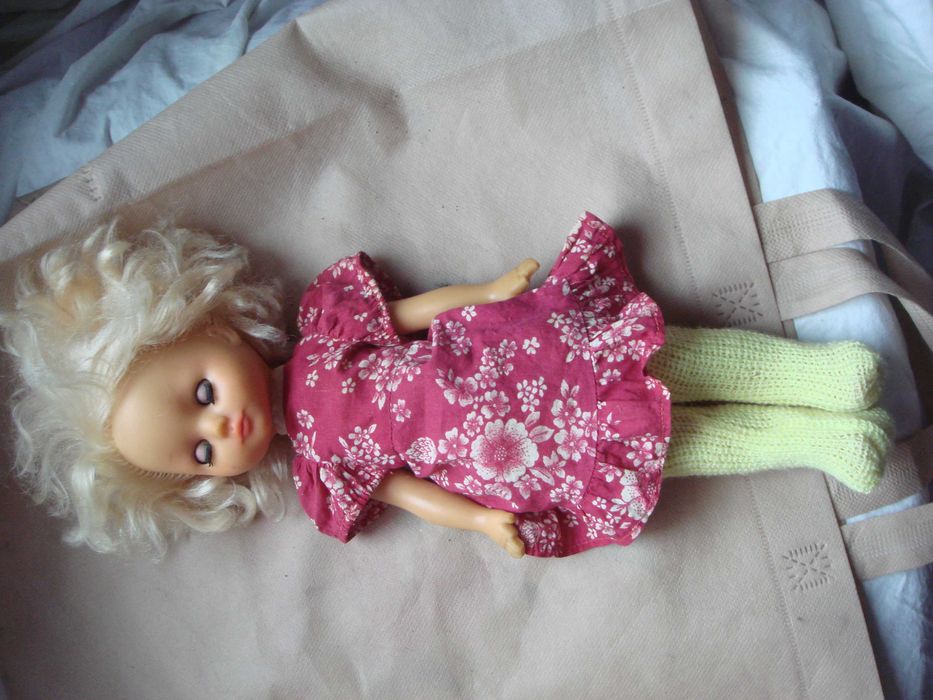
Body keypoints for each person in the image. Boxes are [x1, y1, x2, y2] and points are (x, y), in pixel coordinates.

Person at [3, 215, 891, 558]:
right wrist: (476, 521)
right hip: (517, 457)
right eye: (200, 454)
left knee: (664, 359)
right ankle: (813, 441)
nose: (223, 426)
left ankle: (816, 374)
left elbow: (412, 312)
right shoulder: (321, 469)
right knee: (668, 447)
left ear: (210, 326)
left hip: (520, 349)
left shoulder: (326, 330)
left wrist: (490, 290)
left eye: (201, 393)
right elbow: (406, 491)